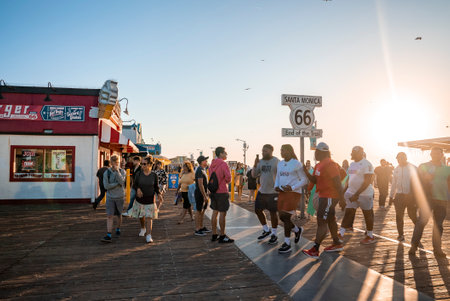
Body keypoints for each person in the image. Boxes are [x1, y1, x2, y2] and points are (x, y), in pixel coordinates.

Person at [302, 142, 346, 259]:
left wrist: (342, 199)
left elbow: (337, 182)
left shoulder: (330, 164)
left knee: (321, 221)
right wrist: (306, 171)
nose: (315, 154)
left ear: (321, 152)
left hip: (329, 197)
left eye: (316, 151)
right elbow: (315, 180)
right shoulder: (319, 165)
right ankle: (337, 243)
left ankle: (315, 249)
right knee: (330, 219)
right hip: (323, 196)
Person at [410, 147, 450, 258]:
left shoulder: (447, 169)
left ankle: (437, 249)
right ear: (430, 154)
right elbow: (416, 182)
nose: (436, 155)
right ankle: (413, 246)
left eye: (438, 153)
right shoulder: (423, 166)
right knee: (422, 222)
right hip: (427, 199)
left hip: (442, 200)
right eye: (434, 153)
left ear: (442, 154)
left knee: (438, 225)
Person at [339, 146, 376, 245]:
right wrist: (343, 193)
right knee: (348, 212)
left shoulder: (367, 164)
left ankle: (370, 235)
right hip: (352, 194)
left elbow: (367, 181)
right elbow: (349, 179)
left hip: (364, 194)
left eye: (354, 153)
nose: (352, 155)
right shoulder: (352, 164)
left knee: (367, 215)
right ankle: (341, 233)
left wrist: (357, 194)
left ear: (360, 153)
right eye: (352, 153)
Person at [274, 144, 308, 253]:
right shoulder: (280, 164)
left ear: (289, 151)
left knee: (286, 216)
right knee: (282, 217)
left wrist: (292, 187)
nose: (281, 152)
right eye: (281, 150)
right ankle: (297, 230)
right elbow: (278, 177)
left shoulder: (297, 164)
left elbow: (304, 180)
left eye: (283, 150)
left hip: (293, 193)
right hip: (282, 192)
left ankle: (287, 243)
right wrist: (276, 185)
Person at [129, 157, 163, 243]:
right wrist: (138, 189)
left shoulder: (154, 175)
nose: (142, 165)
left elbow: (156, 186)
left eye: (144, 164)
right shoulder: (139, 174)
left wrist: (159, 194)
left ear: (150, 165)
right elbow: (134, 184)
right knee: (141, 216)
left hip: (150, 199)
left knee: (149, 217)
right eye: (142, 163)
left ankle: (148, 235)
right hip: (140, 199)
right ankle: (143, 228)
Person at [252, 144, 280, 244]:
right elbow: (254, 175)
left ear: (271, 151)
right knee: (257, 210)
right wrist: (255, 165)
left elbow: (281, 175)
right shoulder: (260, 162)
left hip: (273, 192)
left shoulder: (276, 161)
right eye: (262, 151)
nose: (263, 152)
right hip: (262, 191)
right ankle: (266, 229)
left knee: (273, 213)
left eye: (266, 151)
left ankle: (274, 234)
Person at [389, 152, 418, 242]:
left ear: (405, 158)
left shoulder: (413, 168)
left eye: (401, 158)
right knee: (399, 216)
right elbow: (393, 184)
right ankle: (400, 235)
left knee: (412, 215)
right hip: (399, 196)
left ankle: (418, 232)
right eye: (398, 158)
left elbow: (418, 183)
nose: (399, 160)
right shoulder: (396, 169)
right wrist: (391, 196)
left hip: (410, 196)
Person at [209, 147, 234, 243]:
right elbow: (228, 178)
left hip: (214, 191)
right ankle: (222, 235)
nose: (226, 154)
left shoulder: (212, 164)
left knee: (215, 212)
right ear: (221, 154)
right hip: (222, 191)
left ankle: (214, 234)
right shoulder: (223, 164)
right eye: (225, 153)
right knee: (222, 213)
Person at [101, 155, 126, 243]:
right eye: (114, 162)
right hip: (110, 197)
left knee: (119, 215)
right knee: (109, 215)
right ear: (111, 163)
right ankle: (108, 234)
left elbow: (122, 182)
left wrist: (117, 172)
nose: (116, 164)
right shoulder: (106, 173)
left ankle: (118, 228)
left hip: (120, 197)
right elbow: (106, 186)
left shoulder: (122, 171)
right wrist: (116, 184)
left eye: (117, 162)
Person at [194, 155, 211, 236]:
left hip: (204, 193)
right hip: (200, 193)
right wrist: (204, 196)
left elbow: (205, 183)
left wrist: (207, 192)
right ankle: (197, 229)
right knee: (198, 210)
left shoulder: (203, 169)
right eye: (205, 160)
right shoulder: (199, 170)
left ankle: (201, 226)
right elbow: (200, 185)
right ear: (201, 162)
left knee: (202, 211)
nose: (206, 161)